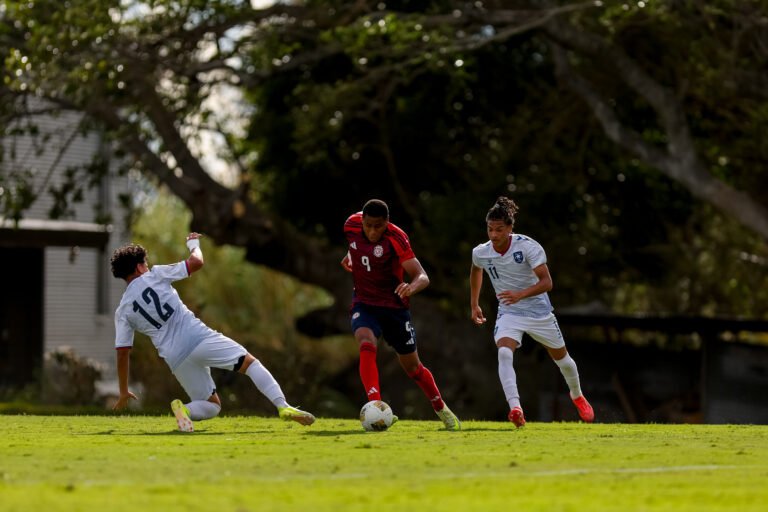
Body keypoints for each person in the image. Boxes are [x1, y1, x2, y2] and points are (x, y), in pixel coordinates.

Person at [110, 232, 316, 432]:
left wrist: (123, 391)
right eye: (145, 264)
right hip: (197, 338)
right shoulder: (155, 274)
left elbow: (122, 353)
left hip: (175, 357)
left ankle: (185, 410)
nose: (147, 266)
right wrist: (193, 245)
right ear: (139, 267)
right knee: (250, 364)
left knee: (211, 405)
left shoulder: (123, 310)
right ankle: (283, 406)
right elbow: (196, 262)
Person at [469, 196, 594, 427]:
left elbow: (547, 282)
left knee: (564, 361)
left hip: (539, 314)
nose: (493, 235)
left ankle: (577, 395)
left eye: (499, 229)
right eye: (490, 229)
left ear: (510, 228)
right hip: (509, 313)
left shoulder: (527, 246)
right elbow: (476, 269)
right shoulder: (481, 252)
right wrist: (474, 303)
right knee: (504, 353)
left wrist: (521, 294)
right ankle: (516, 409)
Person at [341, 199, 461, 431]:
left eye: (378, 226)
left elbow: (422, 276)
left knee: (413, 368)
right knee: (366, 342)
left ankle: (442, 409)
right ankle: (376, 406)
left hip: (394, 308)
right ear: (362, 221)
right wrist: (350, 255)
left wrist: (411, 287)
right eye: (368, 226)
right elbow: (356, 245)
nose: (372, 231)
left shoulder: (396, 237)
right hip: (364, 303)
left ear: (387, 223)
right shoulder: (351, 225)